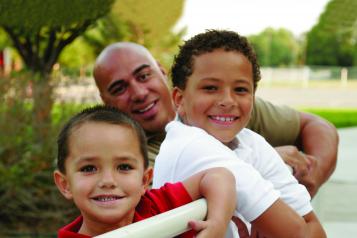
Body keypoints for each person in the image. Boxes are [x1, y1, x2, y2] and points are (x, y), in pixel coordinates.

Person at [93, 41, 338, 198]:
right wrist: (267, 160)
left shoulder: (222, 107)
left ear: (161, 70)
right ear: (105, 102)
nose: (139, 92)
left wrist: (313, 174)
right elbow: (200, 188)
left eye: (144, 75)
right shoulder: (124, 156)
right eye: (119, 88)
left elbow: (317, 126)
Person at [153, 29, 326, 237]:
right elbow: (300, 233)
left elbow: (314, 229)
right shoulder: (191, 146)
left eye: (241, 89)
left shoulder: (249, 142)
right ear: (179, 99)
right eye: (210, 88)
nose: (227, 100)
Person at [53, 105, 236, 237]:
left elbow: (219, 176)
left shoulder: (157, 207)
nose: (108, 181)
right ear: (65, 184)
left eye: (124, 167)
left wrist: (217, 225)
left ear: (144, 180)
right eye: (89, 168)